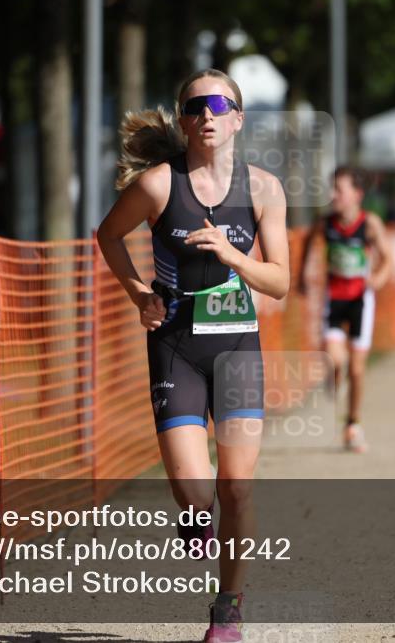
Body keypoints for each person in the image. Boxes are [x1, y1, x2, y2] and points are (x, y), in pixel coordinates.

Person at [96, 69, 288, 643]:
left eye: (218, 104)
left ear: (237, 118)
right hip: (176, 346)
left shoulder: (264, 190)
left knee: (237, 487)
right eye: (194, 105)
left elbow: (279, 282)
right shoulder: (158, 186)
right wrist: (138, 294)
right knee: (196, 492)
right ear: (183, 120)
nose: (207, 113)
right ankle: (194, 515)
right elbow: (107, 236)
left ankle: (227, 610)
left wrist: (233, 256)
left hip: (236, 346)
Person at [297, 166, 391, 453]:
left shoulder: (370, 224)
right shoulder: (325, 223)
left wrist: (377, 277)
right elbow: (307, 244)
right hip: (334, 299)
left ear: (357, 194)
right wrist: (301, 276)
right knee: (335, 360)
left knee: (358, 370)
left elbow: (387, 258)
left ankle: (352, 425)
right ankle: (336, 384)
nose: (332, 194)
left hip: (361, 301)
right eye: (332, 188)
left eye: (339, 189)